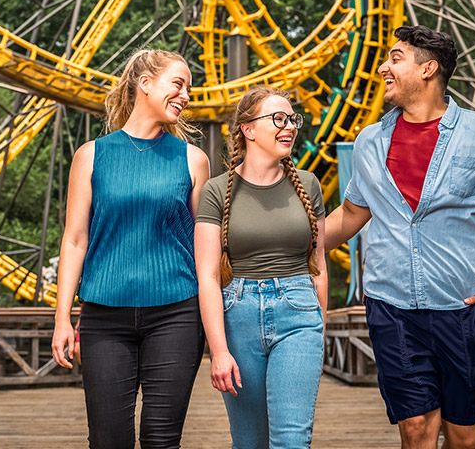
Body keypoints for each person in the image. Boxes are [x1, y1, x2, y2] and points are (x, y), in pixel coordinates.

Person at [323, 25, 475, 448]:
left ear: (428, 68)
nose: (382, 67)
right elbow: (352, 213)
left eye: (394, 58)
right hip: (391, 307)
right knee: (417, 428)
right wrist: (286, 242)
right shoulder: (369, 141)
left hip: (463, 307)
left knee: (464, 436)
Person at [51, 49, 211, 449]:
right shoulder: (91, 155)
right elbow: (74, 240)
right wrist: (62, 319)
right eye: (178, 84)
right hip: (104, 317)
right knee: (107, 441)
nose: (187, 95)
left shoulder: (194, 160)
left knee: (161, 440)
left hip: (177, 313)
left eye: (189, 87)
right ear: (144, 84)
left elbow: (206, 250)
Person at [195, 86, 328, 448]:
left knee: (291, 440)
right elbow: (207, 277)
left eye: (292, 120)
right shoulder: (216, 191)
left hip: (299, 314)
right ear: (248, 129)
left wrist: (321, 329)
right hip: (238, 315)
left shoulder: (309, 185)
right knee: (249, 441)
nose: (289, 127)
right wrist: (218, 351)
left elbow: (319, 266)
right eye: (278, 119)